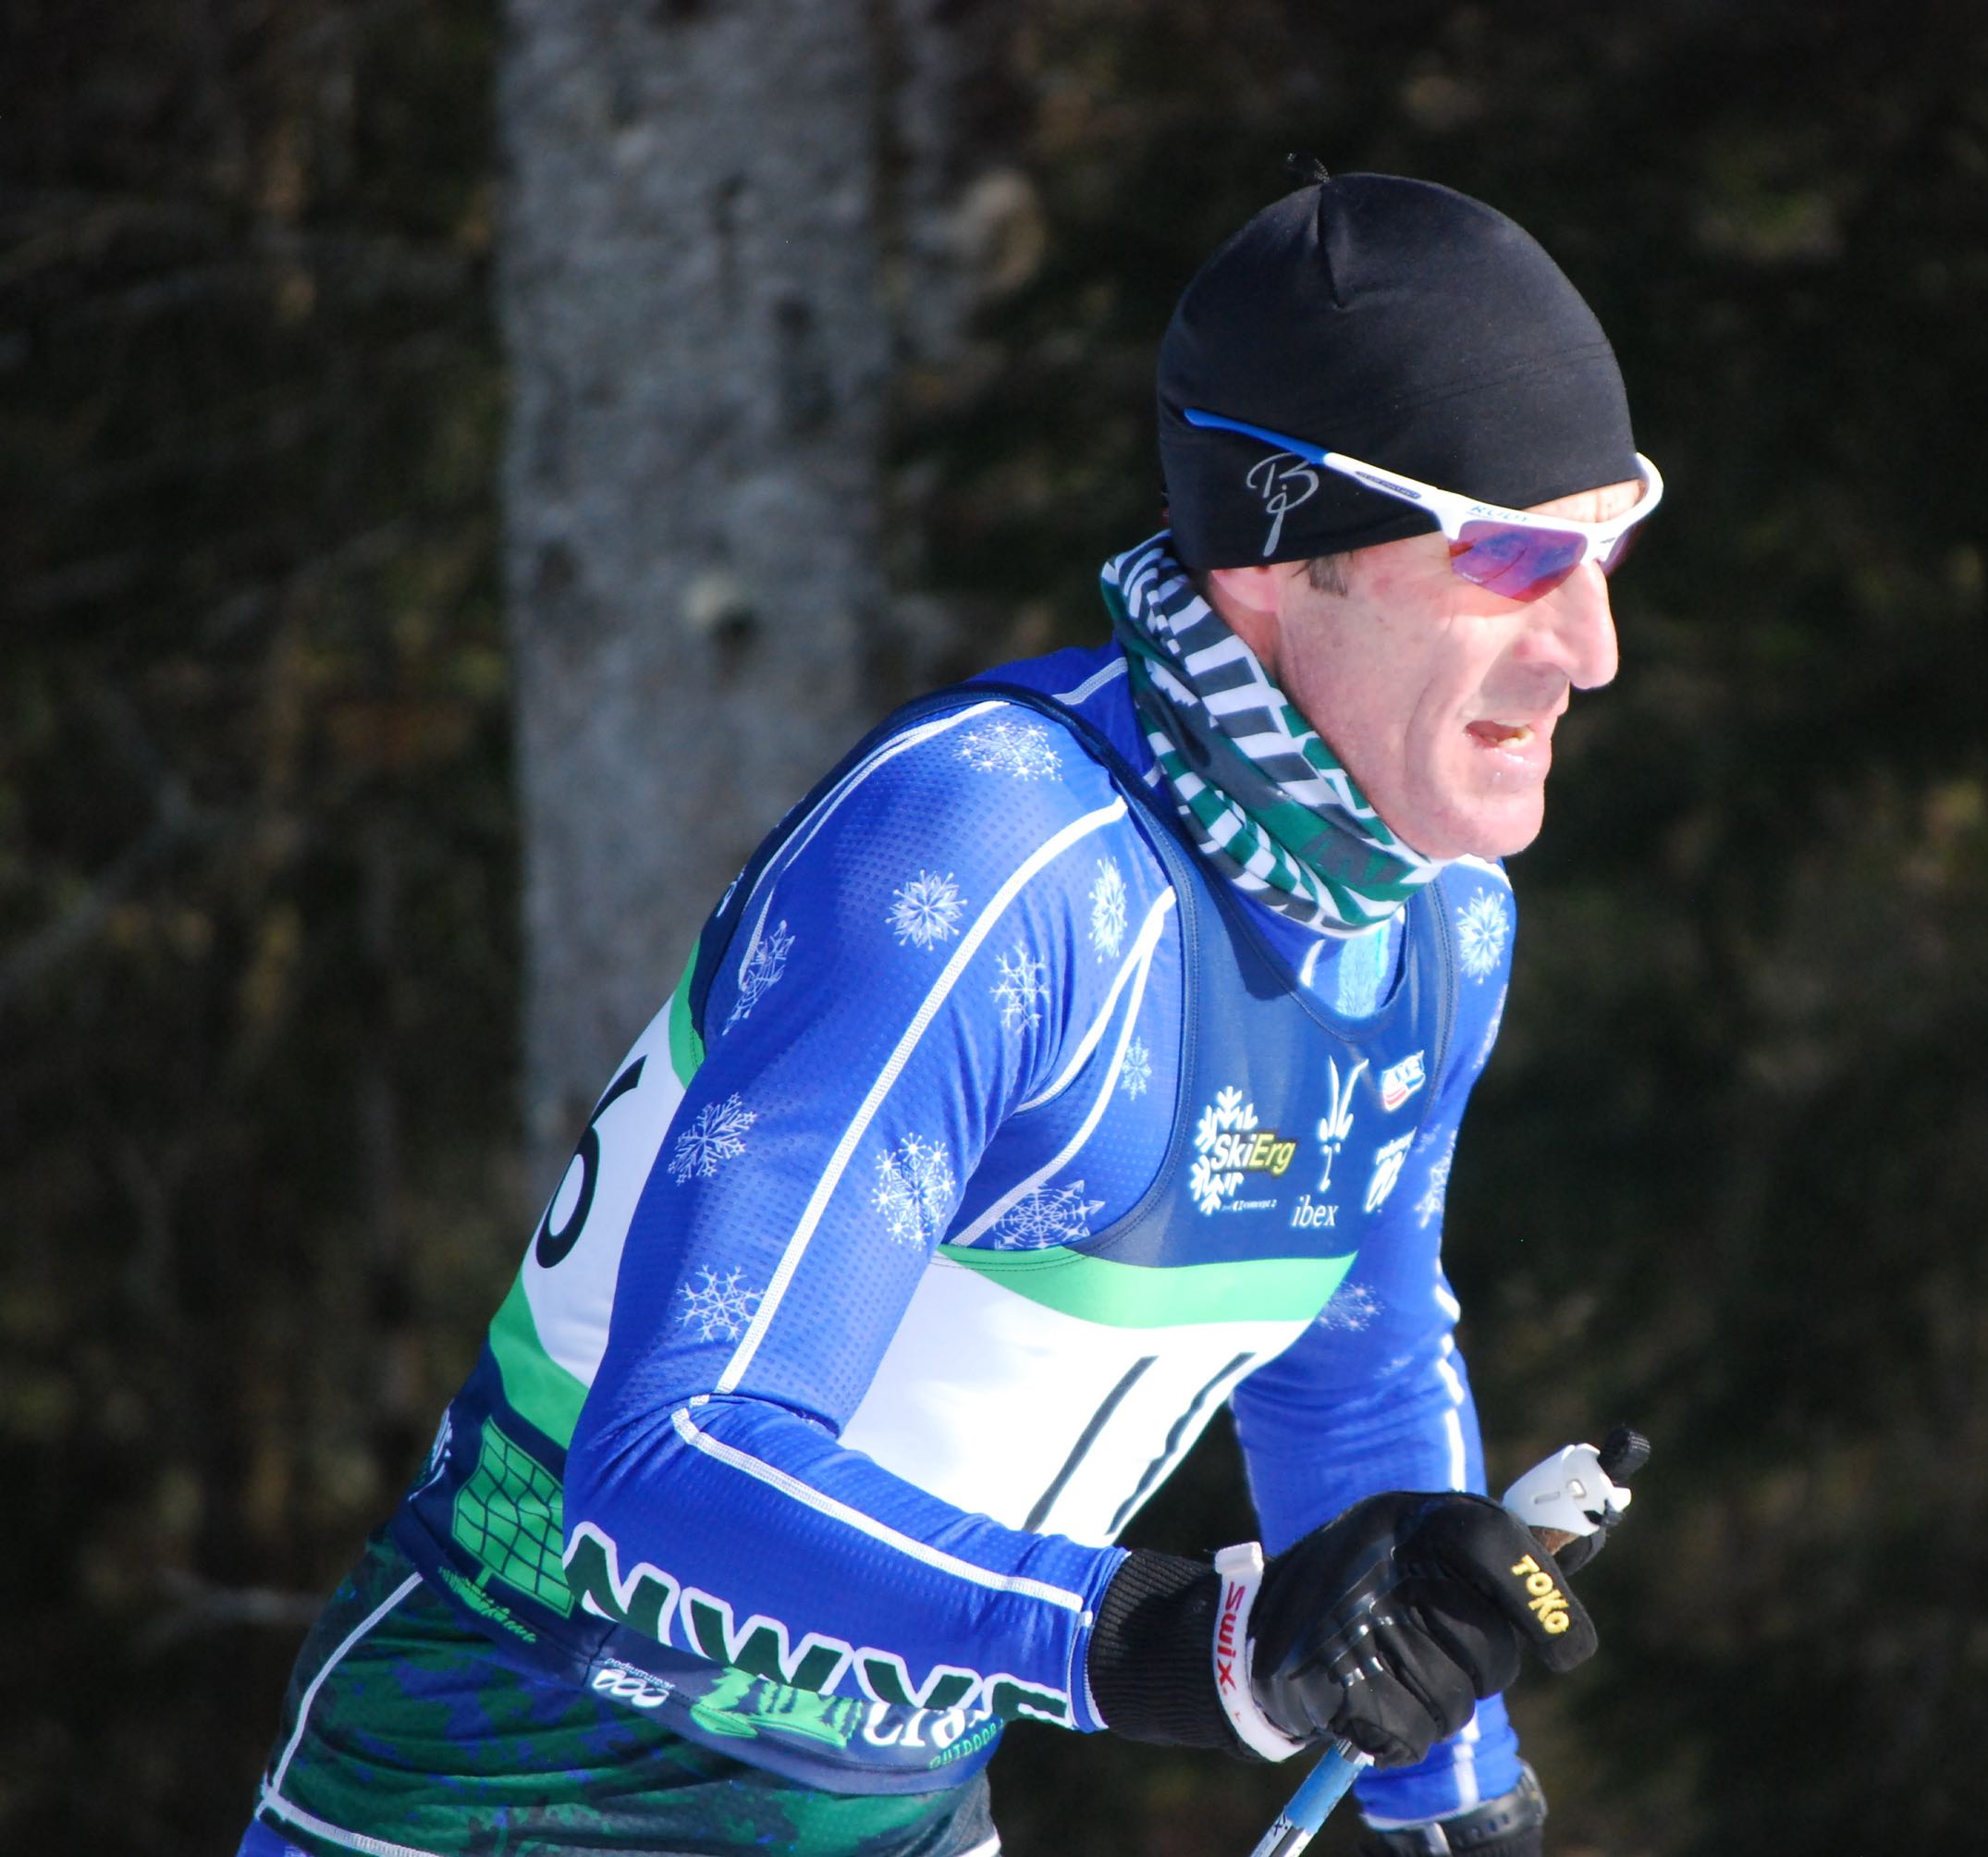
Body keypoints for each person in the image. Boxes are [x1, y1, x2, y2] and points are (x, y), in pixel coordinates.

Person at [239, 168, 1662, 1857]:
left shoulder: (1434, 921)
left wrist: (1450, 1799)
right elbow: (673, 1459)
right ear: (1283, 554)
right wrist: (1171, 1645)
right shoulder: (996, 857)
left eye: (1612, 542)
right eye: (1517, 555)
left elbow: (1350, 1362)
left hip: (898, 1812)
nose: (1594, 647)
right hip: (519, 1776)